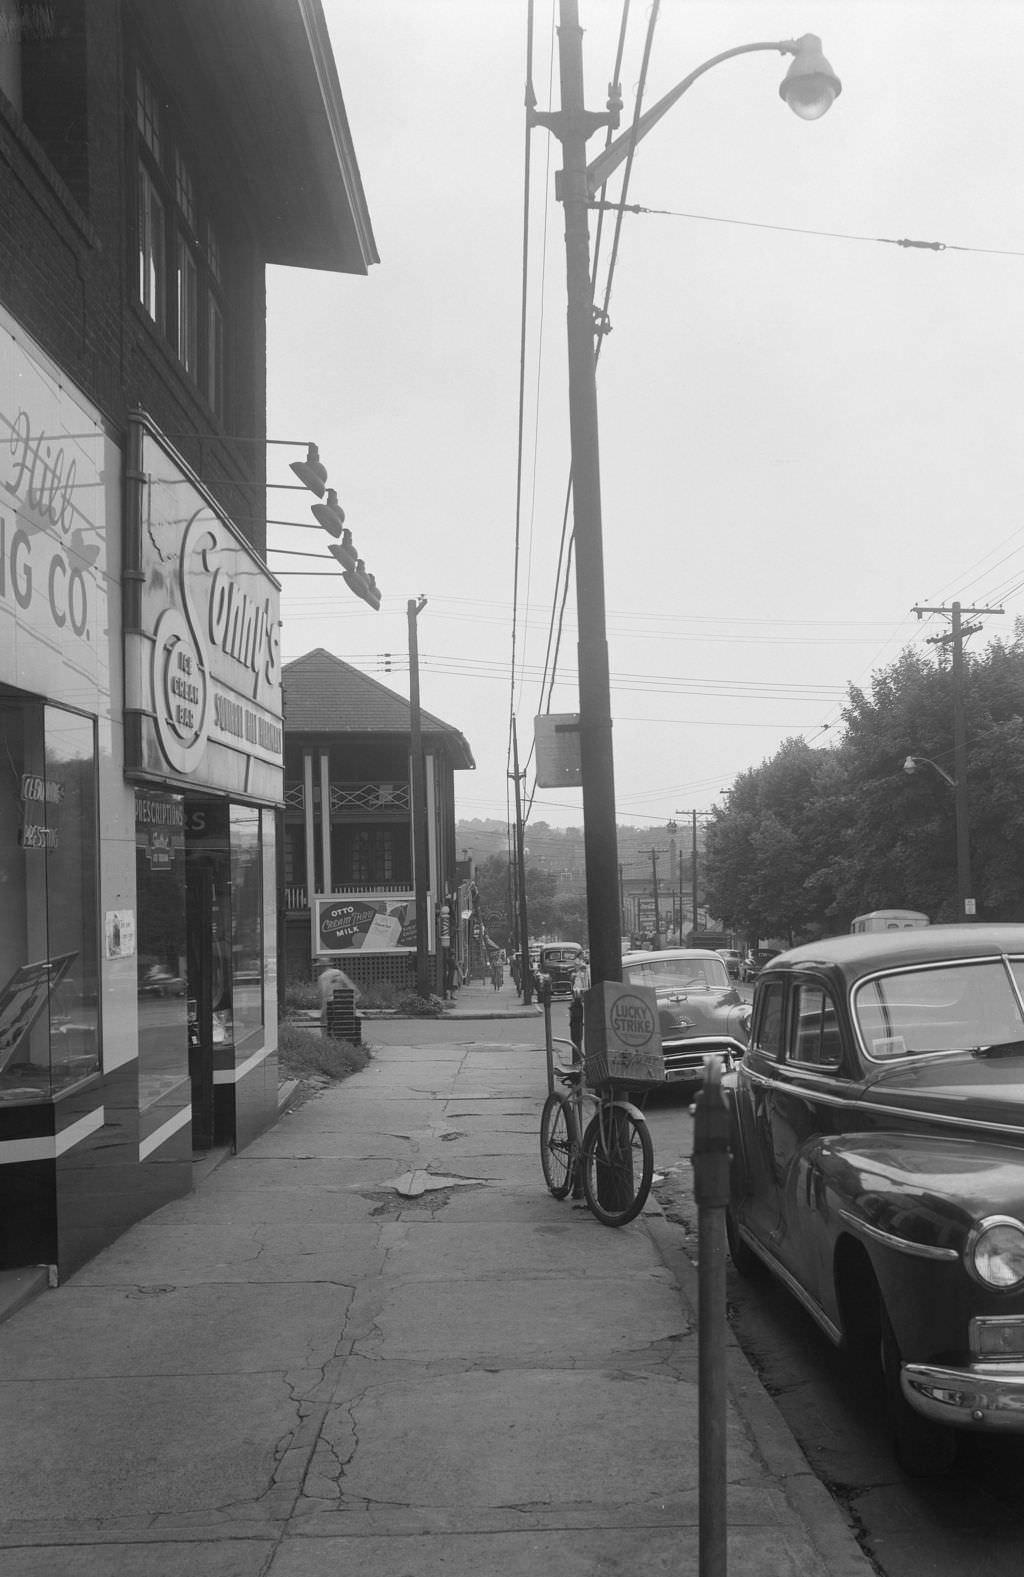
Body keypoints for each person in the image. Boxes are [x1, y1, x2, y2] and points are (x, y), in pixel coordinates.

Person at [317, 955, 360, 1033]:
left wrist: (322, 1014)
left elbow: (324, 996)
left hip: (330, 1007)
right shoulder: (339, 972)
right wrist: (353, 1003)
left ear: (321, 966)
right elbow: (354, 990)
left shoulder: (322, 977)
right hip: (345, 1006)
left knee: (325, 1026)